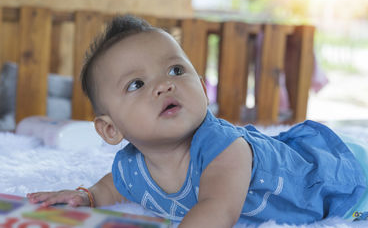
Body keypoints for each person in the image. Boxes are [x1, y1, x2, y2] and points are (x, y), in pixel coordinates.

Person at [27, 15, 368, 227]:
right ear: (111, 129)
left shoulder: (223, 148)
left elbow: (217, 210)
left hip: (331, 176)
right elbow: (113, 185)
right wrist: (86, 197)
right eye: (136, 84)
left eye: (176, 69)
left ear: (203, 87)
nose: (165, 84)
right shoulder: (132, 166)